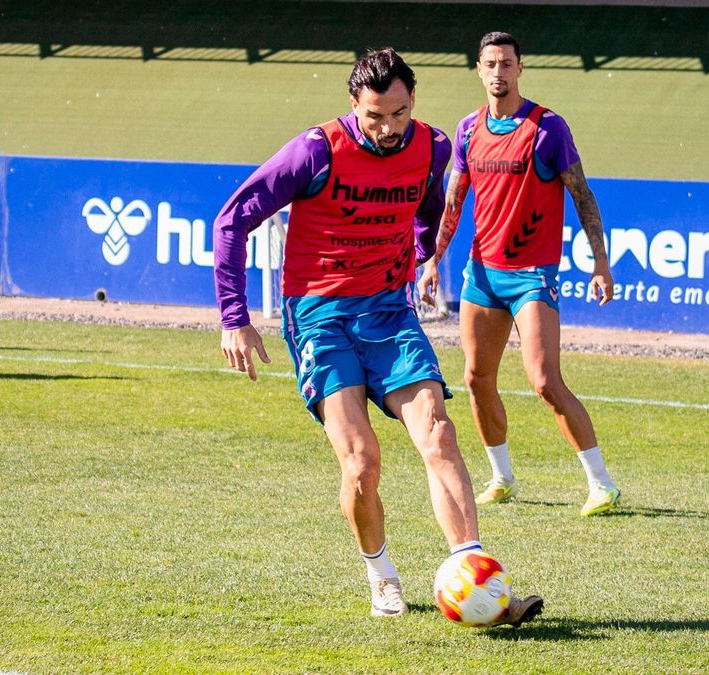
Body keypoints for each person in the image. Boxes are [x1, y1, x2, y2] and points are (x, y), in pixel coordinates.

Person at [214, 48, 542, 625]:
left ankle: (479, 580)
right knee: (362, 462)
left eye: (397, 113)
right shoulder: (316, 150)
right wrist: (235, 316)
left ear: (412, 100)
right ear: (353, 106)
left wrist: (422, 253)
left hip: (390, 313)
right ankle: (381, 575)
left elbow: (428, 205)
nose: (388, 129)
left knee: (438, 432)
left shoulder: (434, 146)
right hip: (320, 317)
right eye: (374, 117)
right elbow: (232, 219)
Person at [417, 32, 621, 517]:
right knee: (475, 378)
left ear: (520, 68)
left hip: (532, 275)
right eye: (490, 63)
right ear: (479, 69)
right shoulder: (468, 130)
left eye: (506, 62)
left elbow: (582, 195)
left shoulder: (547, 128)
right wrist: (433, 260)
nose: (498, 71)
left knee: (545, 379)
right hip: (482, 274)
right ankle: (502, 477)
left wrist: (600, 261)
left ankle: (602, 484)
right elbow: (453, 202)